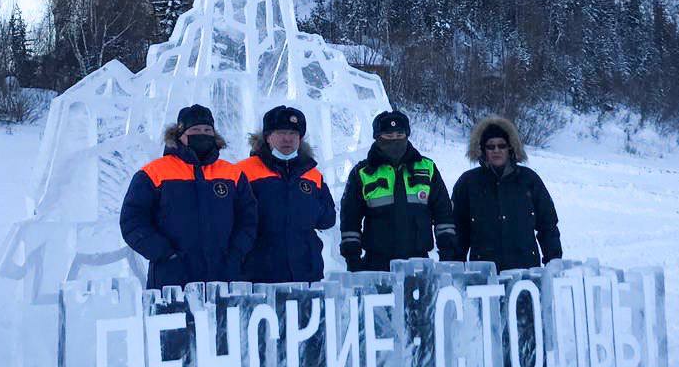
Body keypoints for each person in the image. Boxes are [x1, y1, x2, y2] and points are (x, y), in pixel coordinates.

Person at [119, 103, 257, 289]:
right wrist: (164, 253)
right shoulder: (153, 173)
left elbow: (249, 219)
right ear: (179, 135)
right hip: (172, 280)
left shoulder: (232, 174)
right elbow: (132, 221)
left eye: (207, 129)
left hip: (224, 277)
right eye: (195, 129)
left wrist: (236, 252)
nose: (202, 134)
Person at [339, 110, 458, 271]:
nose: (394, 139)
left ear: (407, 135)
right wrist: (353, 259)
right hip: (377, 266)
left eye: (399, 134)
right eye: (388, 135)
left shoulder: (427, 168)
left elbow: (443, 213)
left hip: (419, 263)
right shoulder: (362, 172)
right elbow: (350, 219)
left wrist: (447, 254)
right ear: (377, 137)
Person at [237, 105, 336, 284]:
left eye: (293, 134)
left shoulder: (312, 174)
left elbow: (328, 218)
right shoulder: (244, 171)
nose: (287, 139)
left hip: (305, 272)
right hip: (259, 274)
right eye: (281, 133)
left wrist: (307, 209)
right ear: (267, 137)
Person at [451, 115, 562, 272]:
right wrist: (455, 268)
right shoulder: (468, 182)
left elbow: (548, 225)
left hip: (526, 272)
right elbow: (458, 230)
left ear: (510, 147)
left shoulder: (529, 180)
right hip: (483, 273)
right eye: (490, 146)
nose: (496, 150)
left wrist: (554, 260)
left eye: (501, 145)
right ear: (482, 149)